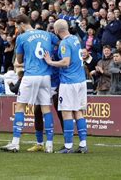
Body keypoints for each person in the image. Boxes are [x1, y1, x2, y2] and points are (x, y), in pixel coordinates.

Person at [0, 14, 57, 153]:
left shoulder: (22, 37)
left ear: (21, 24)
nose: (16, 29)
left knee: (20, 106)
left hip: (31, 75)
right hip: (45, 76)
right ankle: (49, 144)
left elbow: (19, 60)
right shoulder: (47, 34)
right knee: (46, 108)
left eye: (16, 26)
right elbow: (59, 43)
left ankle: (15, 142)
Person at [44, 19, 88, 154]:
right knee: (78, 112)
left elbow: (66, 62)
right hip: (81, 80)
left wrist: (50, 62)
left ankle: (68, 146)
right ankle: (83, 145)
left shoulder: (64, 43)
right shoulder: (75, 39)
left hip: (69, 82)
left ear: (57, 31)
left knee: (67, 112)